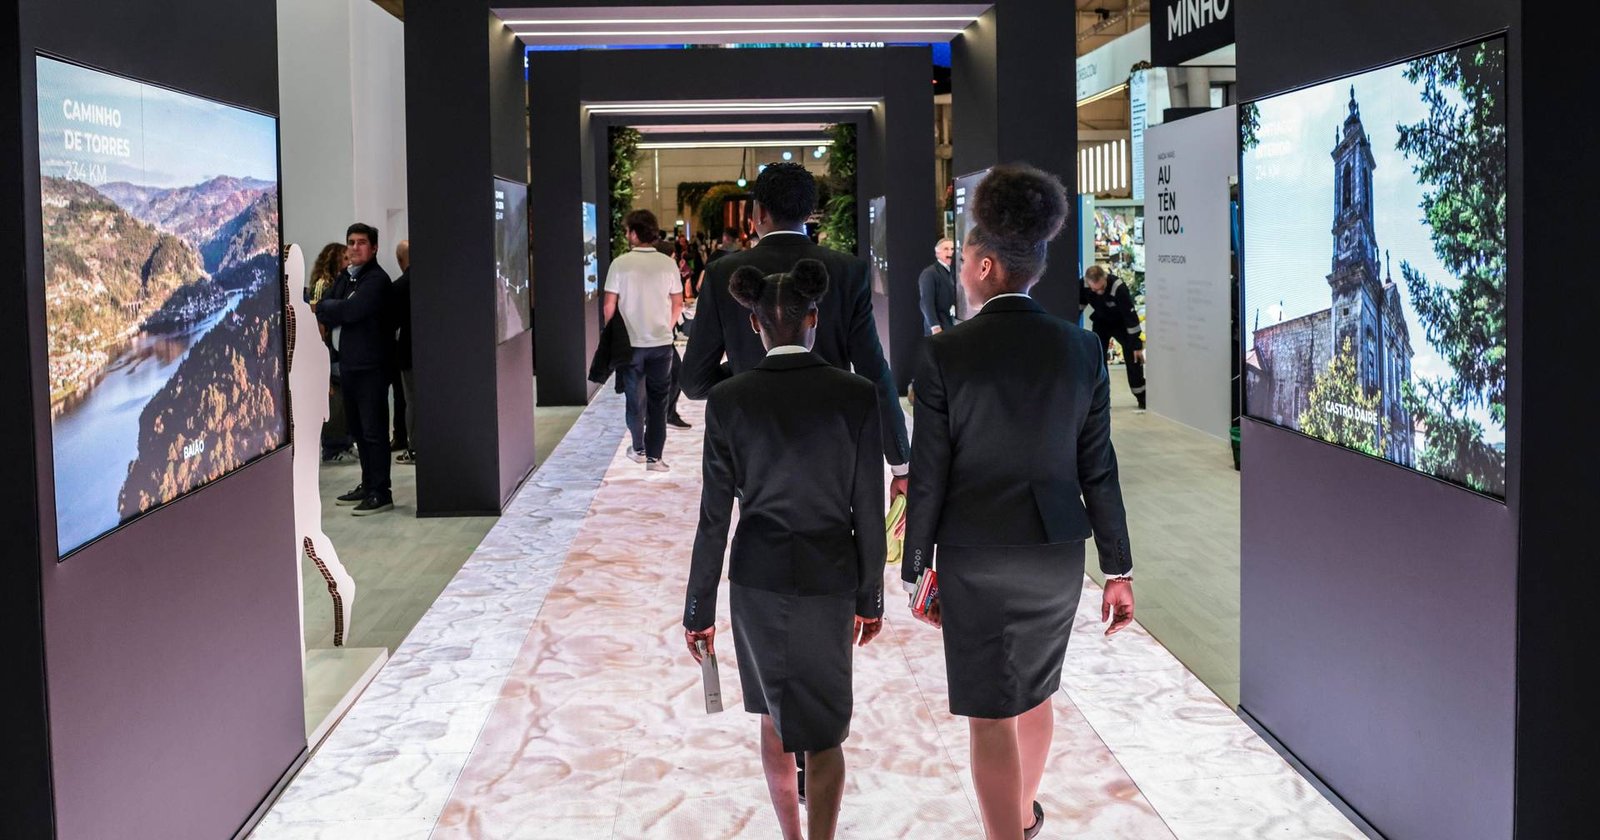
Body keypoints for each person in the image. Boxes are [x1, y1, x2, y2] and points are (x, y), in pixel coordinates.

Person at [904, 164, 1136, 840]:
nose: (960, 274)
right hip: (1055, 553)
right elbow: (1099, 469)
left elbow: (929, 473)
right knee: (1035, 693)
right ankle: (1025, 815)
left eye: (963, 264)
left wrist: (916, 566)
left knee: (989, 715)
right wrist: (1118, 569)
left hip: (975, 552)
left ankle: (1006, 829)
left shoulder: (945, 354)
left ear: (983, 266)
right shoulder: (1082, 348)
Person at [683, 259, 885, 840]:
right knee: (825, 731)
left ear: (754, 326)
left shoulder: (729, 399)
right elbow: (867, 508)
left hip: (757, 577)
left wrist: (698, 610)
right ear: (814, 318)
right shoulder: (855, 395)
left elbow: (713, 518)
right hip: (831, 575)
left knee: (773, 719)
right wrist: (870, 597)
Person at [682, 162, 911, 499]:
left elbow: (694, 381)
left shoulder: (722, 274)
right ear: (808, 212)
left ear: (759, 213)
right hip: (833, 440)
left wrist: (746, 370)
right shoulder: (848, 271)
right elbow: (873, 371)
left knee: (760, 524)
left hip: (755, 446)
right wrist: (900, 464)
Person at [315, 223, 396, 515]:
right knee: (359, 432)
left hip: (371, 368)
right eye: (351, 242)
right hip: (349, 366)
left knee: (374, 432)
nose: (354, 247)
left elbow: (351, 311)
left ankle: (381, 492)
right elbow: (323, 306)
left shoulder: (376, 280)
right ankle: (368, 483)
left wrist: (337, 309)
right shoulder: (347, 278)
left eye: (361, 242)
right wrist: (336, 308)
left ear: (374, 248)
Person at [603, 209, 683, 472]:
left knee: (635, 400)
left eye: (628, 231)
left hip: (631, 345)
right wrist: (666, 329)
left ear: (635, 233)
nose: (627, 235)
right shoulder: (667, 263)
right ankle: (655, 459)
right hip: (661, 345)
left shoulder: (620, 264)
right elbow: (678, 303)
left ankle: (638, 449)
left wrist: (612, 333)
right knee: (659, 401)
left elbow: (609, 305)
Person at [1080, 264, 1147, 411]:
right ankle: (1102, 400)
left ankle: (1142, 396)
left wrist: (1136, 346)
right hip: (1101, 322)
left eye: (1102, 288)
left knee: (1133, 358)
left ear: (1105, 278)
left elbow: (1130, 317)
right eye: (1094, 290)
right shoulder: (1083, 286)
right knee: (1098, 359)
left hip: (1121, 323)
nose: (1099, 292)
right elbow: (1076, 309)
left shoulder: (1118, 288)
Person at [392, 240, 416, 465]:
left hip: (408, 353)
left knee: (412, 401)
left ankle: (415, 447)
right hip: (429, 353)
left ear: (400, 260)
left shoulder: (399, 287)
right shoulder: (429, 283)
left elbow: (392, 322)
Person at [917, 237, 957, 335]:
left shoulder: (955, 272)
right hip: (939, 330)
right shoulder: (930, 273)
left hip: (953, 328)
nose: (950, 252)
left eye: (952, 249)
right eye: (946, 249)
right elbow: (926, 302)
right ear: (937, 253)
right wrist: (935, 327)